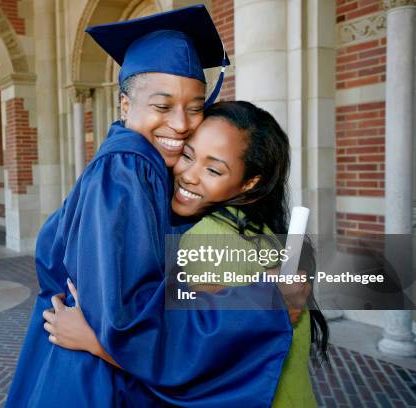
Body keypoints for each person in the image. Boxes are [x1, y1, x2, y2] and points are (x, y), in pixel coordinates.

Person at [6, 6, 309, 407]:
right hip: (95, 382)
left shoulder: (141, 166)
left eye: (196, 106)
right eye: (163, 107)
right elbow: (132, 323)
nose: (182, 124)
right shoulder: (127, 168)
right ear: (126, 105)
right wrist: (265, 307)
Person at [44, 101, 329, 407]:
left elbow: (203, 365)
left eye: (214, 169)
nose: (189, 175)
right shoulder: (265, 231)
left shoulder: (207, 241)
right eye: (188, 155)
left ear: (250, 182)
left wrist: (96, 343)